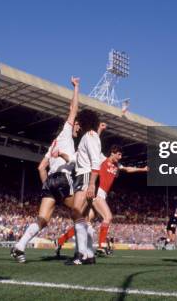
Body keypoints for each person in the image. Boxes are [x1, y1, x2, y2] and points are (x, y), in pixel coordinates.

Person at [10, 77, 81, 263]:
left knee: (43, 219)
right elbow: (73, 108)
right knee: (79, 212)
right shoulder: (66, 132)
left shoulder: (54, 143)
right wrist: (76, 87)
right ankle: (82, 252)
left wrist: (47, 186)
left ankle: (19, 246)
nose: (78, 127)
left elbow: (41, 167)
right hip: (63, 178)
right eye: (77, 125)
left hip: (49, 181)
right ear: (71, 125)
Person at [54, 144, 148, 256]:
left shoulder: (117, 165)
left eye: (121, 155)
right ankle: (101, 246)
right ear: (112, 152)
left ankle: (60, 241)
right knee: (108, 217)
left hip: (102, 195)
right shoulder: (102, 158)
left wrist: (142, 169)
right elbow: (88, 150)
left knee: (84, 222)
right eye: (119, 154)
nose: (120, 157)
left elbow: (127, 169)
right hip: (97, 193)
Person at [66, 109, 103, 265]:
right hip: (83, 176)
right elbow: (77, 159)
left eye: (79, 122)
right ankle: (88, 254)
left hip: (87, 176)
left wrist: (91, 184)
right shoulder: (87, 137)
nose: (78, 125)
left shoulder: (90, 136)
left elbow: (95, 162)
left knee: (76, 212)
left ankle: (81, 254)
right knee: (84, 217)